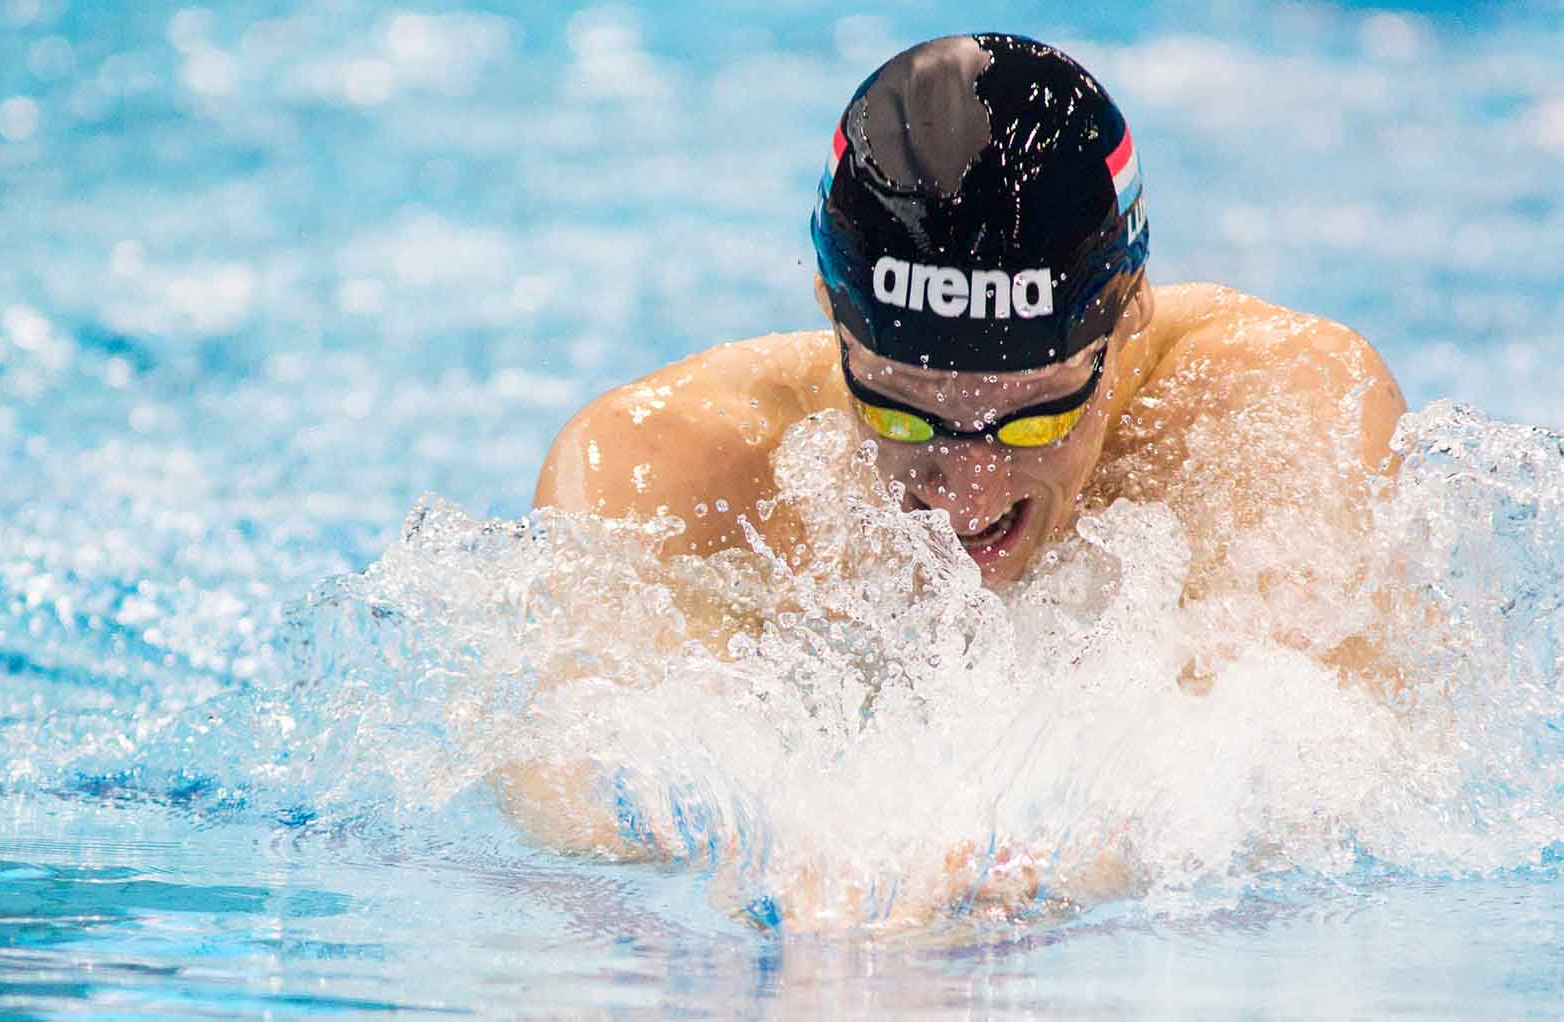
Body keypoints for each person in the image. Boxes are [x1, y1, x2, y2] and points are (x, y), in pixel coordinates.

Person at [515, 32, 1408, 920]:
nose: (966, 498)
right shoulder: (660, 466)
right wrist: (750, 842)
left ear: (1131, 309)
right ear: (829, 311)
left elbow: (1301, 777)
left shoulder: (1269, 412)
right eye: (902, 412)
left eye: (1036, 416)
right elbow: (569, 791)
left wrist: (1029, 867)